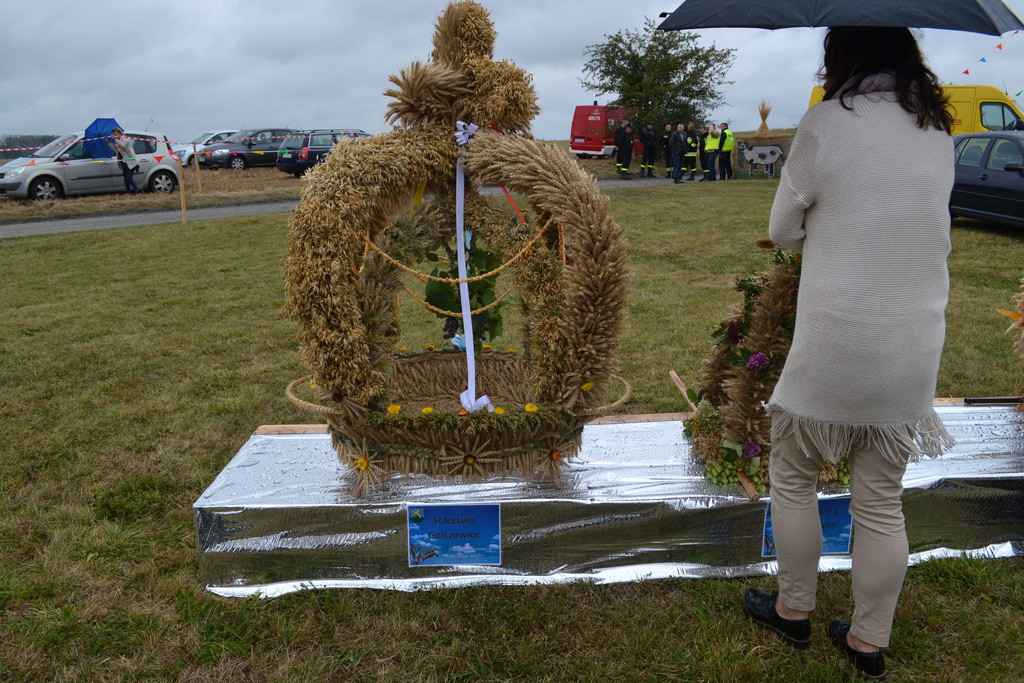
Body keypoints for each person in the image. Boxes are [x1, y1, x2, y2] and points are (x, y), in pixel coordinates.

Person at [740, 26, 956, 682]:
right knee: (881, 500)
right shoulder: (938, 134)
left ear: (845, 54)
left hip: (836, 343)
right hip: (912, 345)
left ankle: (794, 608)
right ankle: (868, 640)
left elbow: (781, 229)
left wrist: (826, 233)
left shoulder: (827, 123)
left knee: (794, 476)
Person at [107, 128, 139, 195]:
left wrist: (115, 140)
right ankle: (128, 192)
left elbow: (123, 145)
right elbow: (116, 151)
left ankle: (136, 191)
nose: (114, 135)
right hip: (124, 162)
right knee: (125, 178)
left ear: (120, 133)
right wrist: (109, 143)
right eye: (113, 134)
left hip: (131, 161)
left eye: (115, 134)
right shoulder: (117, 141)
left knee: (129, 178)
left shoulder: (125, 138)